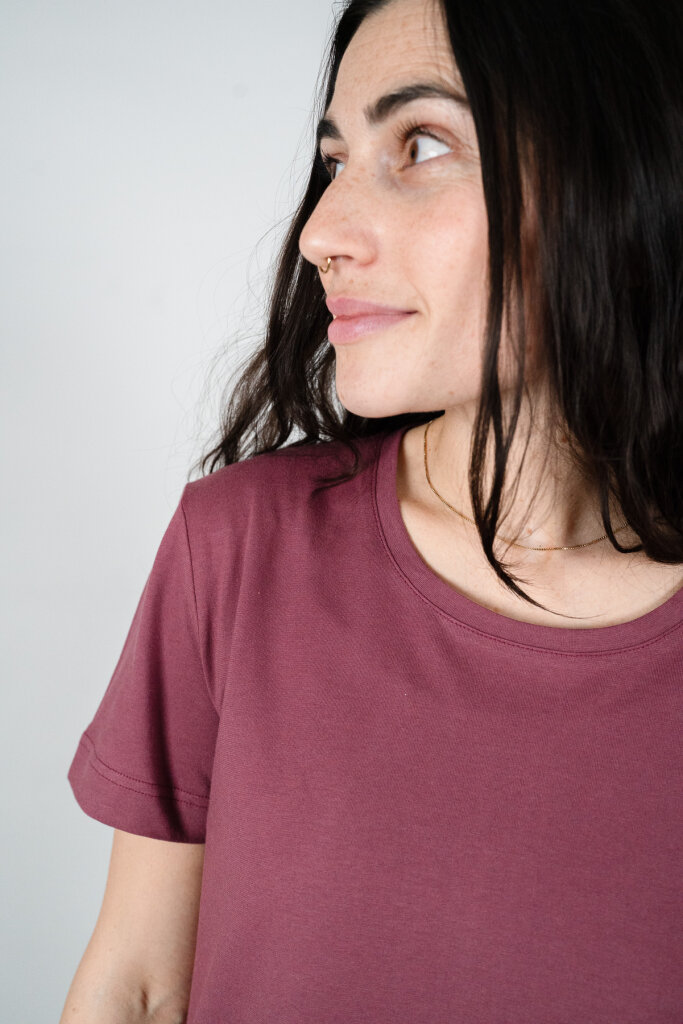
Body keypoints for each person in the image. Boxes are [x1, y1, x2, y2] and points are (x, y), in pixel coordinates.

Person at [60, 0, 683, 1020]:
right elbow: (135, 987)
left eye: (422, 144)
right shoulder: (240, 549)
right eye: (335, 160)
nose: (319, 232)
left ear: (619, 171)